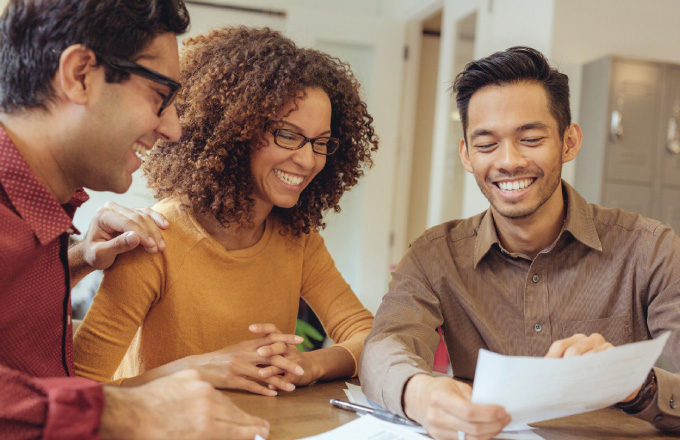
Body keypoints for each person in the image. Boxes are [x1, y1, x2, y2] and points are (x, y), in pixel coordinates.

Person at [359, 46, 680, 440]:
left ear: (569, 142)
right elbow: (384, 346)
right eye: (486, 144)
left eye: (529, 138)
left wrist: (634, 383)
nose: (508, 161)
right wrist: (418, 391)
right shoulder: (433, 256)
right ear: (466, 154)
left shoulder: (651, 251)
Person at [0, 1, 271, 438]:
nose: (173, 129)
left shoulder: (40, 208)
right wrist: (123, 412)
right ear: (80, 75)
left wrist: (75, 260)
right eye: (160, 97)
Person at [73, 26, 377, 396]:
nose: (308, 159)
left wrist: (308, 364)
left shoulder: (297, 240)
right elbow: (78, 391)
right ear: (237, 130)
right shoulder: (155, 238)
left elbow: (367, 336)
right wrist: (194, 372)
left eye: (321, 142)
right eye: (287, 134)